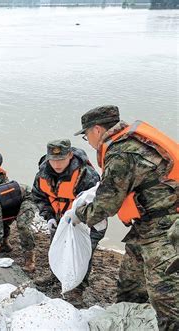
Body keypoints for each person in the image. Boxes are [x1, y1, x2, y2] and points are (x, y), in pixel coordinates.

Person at [68, 105, 178, 329]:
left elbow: (105, 205)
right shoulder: (129, 142)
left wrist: (77, 214)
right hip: (146, 225)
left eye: (86, 134)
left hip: (166, 227)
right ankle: (128, 322)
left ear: (97, 130)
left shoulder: (121, 153)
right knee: (130, 284)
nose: (87, 141)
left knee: (166, 297)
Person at [32, 139, 105, 304]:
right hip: (59, 220)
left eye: (61, 160)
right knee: (57, 247)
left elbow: (98, 204)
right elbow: (39, 196)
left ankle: (77, 289)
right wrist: (49, 216)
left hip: (87, 222)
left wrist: (80, 218)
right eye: (53, 160)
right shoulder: (43, 173)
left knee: (81, 254)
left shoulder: (86, 176)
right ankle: (56, 277)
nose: (57, 164)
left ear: (70, 155)